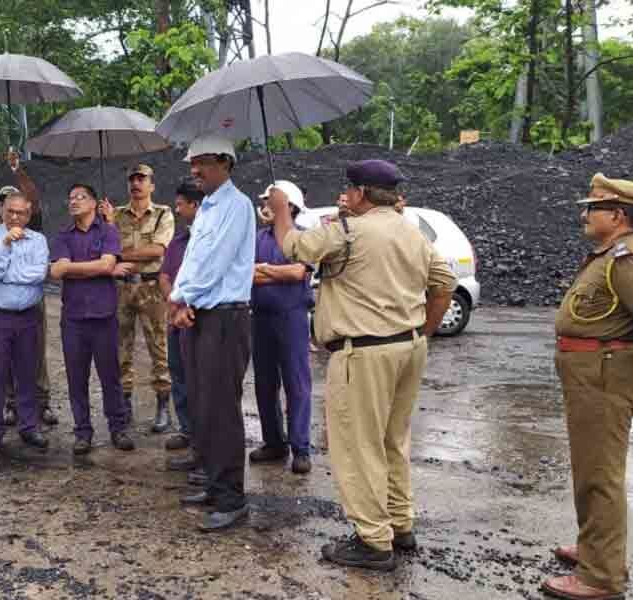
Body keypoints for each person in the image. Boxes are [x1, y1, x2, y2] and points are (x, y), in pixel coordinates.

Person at [268, 159, 455, 570]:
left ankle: (373, 540)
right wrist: (423, 330)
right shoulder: (412, 231)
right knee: (393, 441)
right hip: (408, 347)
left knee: (358, 446)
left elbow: (293, 247)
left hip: (364, 353)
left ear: (361, 193)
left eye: (350, 190)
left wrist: (281, 209)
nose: (346, 195)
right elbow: (444, 283)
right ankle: (400, 524)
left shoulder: (348, 232)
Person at [543, 173, 633, 600]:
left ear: (616, 215)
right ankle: (593, 548)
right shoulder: (608, 255)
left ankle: (600, 578)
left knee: (600, 474)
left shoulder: (628, 261)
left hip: (604, 373)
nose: (585, 213)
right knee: (589, 469)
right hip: (591, 372)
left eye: (593, 207)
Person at [169, 135, 255, 531]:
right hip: (202, 313)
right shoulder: (207, 209)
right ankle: (214, 484)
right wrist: (180, 298)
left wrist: (184, 296)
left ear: (224, 161)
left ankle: (232, 499)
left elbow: (216, 263)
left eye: (200, 162)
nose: (194, 170)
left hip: (224, 317)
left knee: (221, 410)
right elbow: (192, 260)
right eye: (191, 163)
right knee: (203, 405)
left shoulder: (236, 207)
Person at [49, 183, 135, 455]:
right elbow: (57, 271)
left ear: (94, 203)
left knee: (110, 375)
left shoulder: (108, 231)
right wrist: (99, 268)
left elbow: (107, 264)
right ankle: (82, 431)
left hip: (103, 316)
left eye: (81, 197)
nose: (74, 201)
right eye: (71, 197)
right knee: (77, 378)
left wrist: (74, 268)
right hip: (73, 318)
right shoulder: (63, 236)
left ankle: (118, 428)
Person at [99, 165, 176, 433]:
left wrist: (120, 254)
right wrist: (108, 225)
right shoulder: (114, 215)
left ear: (152, 185)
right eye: (132, 179)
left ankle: (163, 405)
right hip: (120, 288)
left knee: (159, 348)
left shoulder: (163, 214)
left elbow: (156, 250)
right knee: (120, 349)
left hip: (152, 288)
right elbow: (103, 248)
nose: (136, 184)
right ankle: (124, 404)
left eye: (141, 179)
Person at [0, 186, 49, 454]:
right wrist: (6, 244)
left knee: (27, 373)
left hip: (28, 315)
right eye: (11, 212)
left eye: (21, 213)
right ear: (1, 211)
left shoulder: (38, 240)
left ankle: (29, 426)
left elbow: (39, 274)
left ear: (29, 215)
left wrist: (3, 275)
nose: (15, 218)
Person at [250, 180, 314, 475]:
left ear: (287, 206)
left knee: (296, 383)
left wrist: (264, 270)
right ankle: (274, 443)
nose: (264, 204)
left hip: (292, 318)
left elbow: (298, 271)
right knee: (264, 383)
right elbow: (246, 274)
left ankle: (301, 448)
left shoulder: (303, 238)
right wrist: (277, 273)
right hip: (260, 317)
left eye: (269, 200)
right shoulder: (258, 238)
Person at [158, 179, 203, 458]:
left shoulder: (208, 240)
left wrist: (184, 305)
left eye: (180, 204)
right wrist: (173, 303)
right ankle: (187, 428)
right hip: (176, 320)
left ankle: (203, 434)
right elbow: (164, 276)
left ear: (195, 205)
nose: (176, 210)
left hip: (198, 321)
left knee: (200, 379)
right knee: (178, 375)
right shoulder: (178, 242)